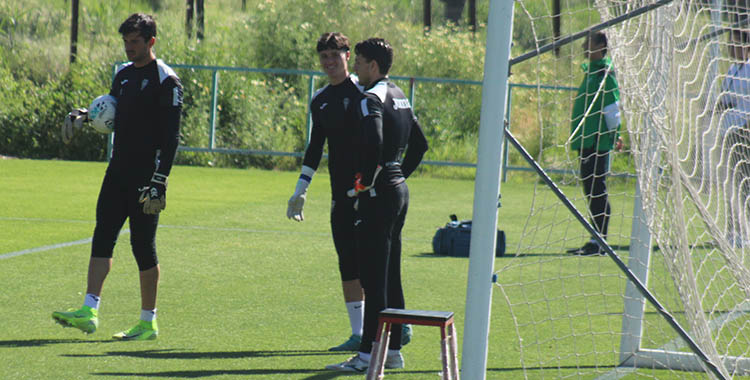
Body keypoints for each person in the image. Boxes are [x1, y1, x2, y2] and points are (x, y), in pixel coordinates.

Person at [52, 13, 183, 341]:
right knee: (102, 236)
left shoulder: (167, 80)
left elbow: (172, 138)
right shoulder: (122, 76)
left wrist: (160, 180)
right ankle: (89, 310)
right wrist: (87, 115)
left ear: (151, 41)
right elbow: (111, 112)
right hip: (118, 171)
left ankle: (147, 321)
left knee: (142, 246)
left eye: (135, 42)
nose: (129, 48)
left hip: (146, 176)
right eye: (125, 41)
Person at [325, 37, 428, 373]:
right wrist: (397, 175)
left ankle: (369, 355)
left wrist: (366, 182)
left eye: (359, 60)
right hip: (397, 192)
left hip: (378, 196)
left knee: (373, 278)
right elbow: (421, 145)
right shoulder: (400, 95)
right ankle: (393, 350)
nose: (353, 66)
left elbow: (375, 140)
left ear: (373, 66)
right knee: (391, 276)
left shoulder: (371, 97)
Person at [286, 32, 370, 351]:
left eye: (335, 54)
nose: (329, 61)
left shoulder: (365, 92)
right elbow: (315, 147)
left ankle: (394, 325)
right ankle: (359, 333)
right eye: (324, 56)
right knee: (347, 261)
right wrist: (300, 189)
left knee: (373, 264)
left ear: (348, 55)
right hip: (340, 194)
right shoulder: (320, 99)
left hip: (369, 194)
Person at [567, 31, 621, 256]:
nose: (583, 47)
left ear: (600, 46)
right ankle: (594, 238)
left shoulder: (605, 75)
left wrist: (615, 135)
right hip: (586, 140)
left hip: (597, 142)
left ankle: (600, 241)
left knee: (597, 189)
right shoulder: (591, 72)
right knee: (590, 189)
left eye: (587, 43)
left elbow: (612, 110)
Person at [717, 28, 750, 248]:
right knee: (730, 184)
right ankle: (733, 231)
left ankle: (745, 232)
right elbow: (724, 98)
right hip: (728, 133)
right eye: (731, 43)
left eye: (736, 43)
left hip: (743, 132)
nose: (731, 47)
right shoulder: (731, 70)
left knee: (745, 184)